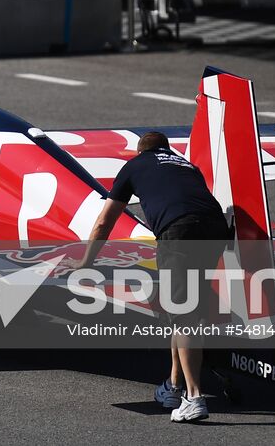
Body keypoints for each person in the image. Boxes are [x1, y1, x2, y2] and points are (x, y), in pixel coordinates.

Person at [79, 131, 231, 423]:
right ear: (167, 149)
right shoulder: (187, 165)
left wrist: (86, 262)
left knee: (183, 313)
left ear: (140, 151)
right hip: (215, 230)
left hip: (179, 232)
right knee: (184, 310)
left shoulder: (135, 166)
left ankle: (194, 398)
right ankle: (173, 387)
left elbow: (103, 223)